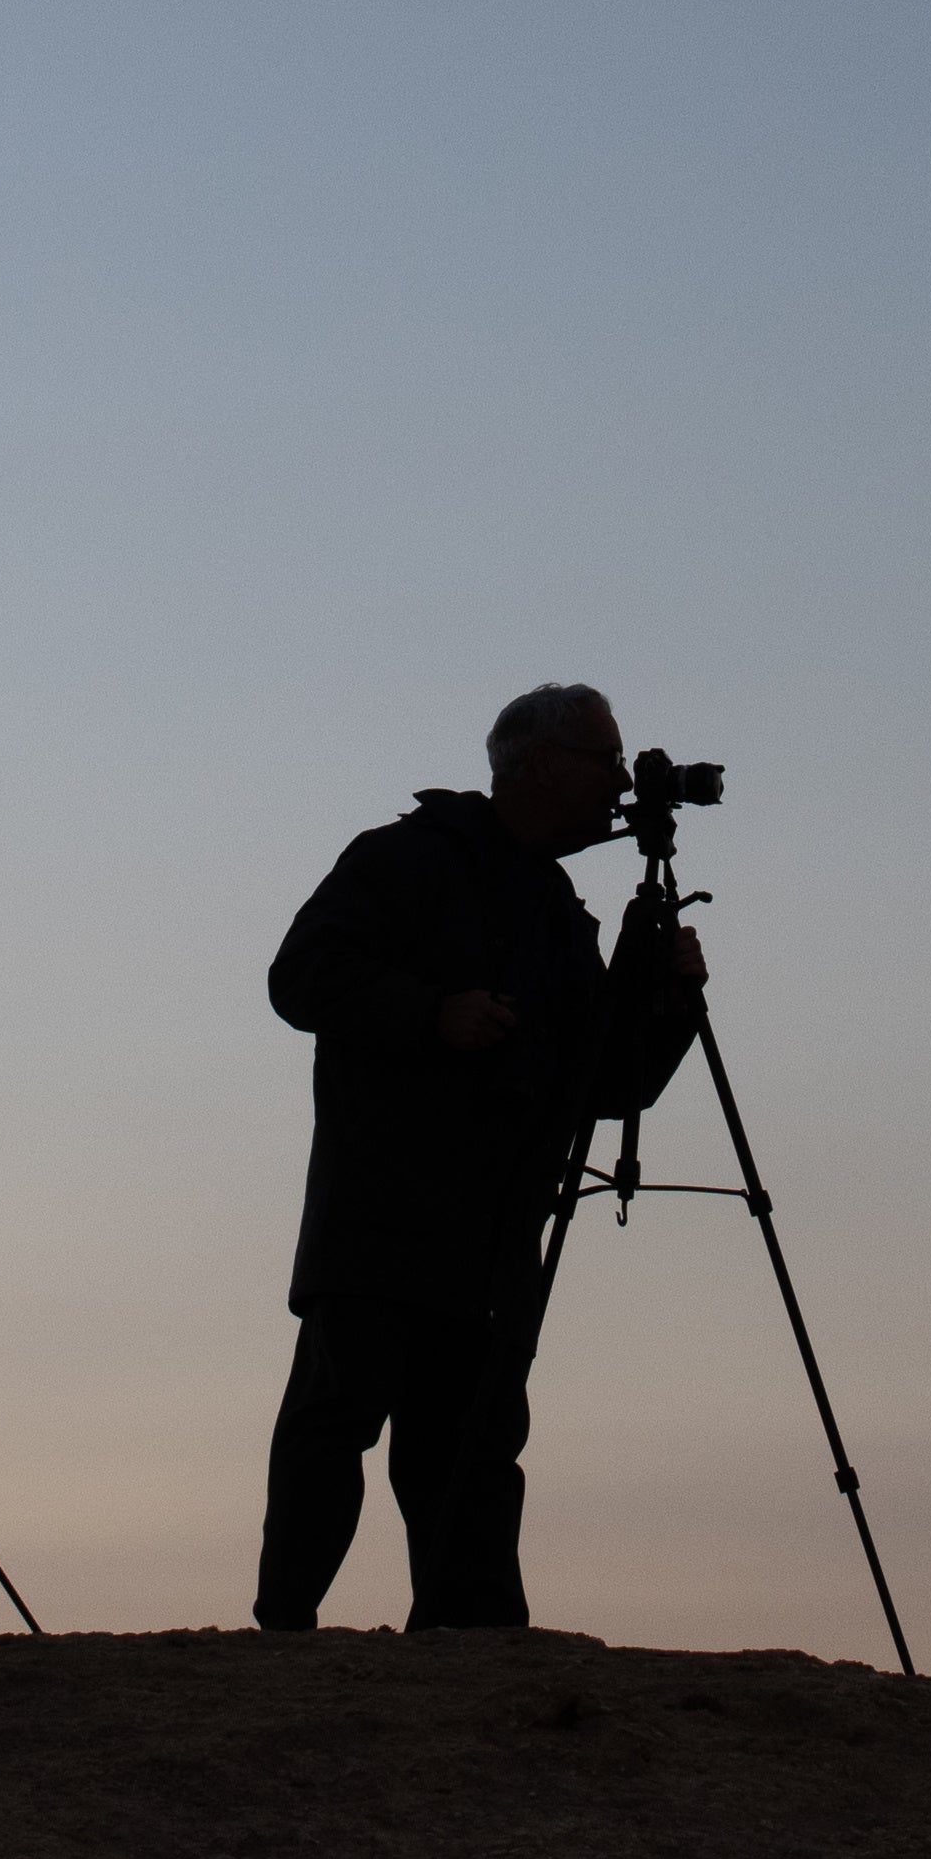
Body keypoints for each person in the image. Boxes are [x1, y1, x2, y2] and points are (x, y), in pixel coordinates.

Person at [254, 682, 706, 1634]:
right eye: (604, 761)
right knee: (337, 1419)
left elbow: (605, 1084)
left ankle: (475, 1654)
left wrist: (666, 1006)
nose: (620, 785)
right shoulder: (407, 859)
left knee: (474, 1450)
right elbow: (300, 976)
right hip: (380, 1213)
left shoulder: (556, 911)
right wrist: (432, 1014)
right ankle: (284, 1633)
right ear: (539, 764)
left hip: (495, 1231)